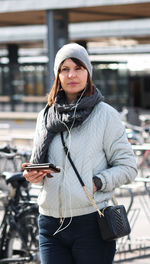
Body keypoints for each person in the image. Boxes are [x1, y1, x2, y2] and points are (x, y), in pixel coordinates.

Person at [23, 43, 137, 264]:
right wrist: (33, 175)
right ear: (57, 75)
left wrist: (97, 182)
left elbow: (128, 166)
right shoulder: (45, 116)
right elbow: (39, 163)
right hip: (49, 223)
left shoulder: (105, 115)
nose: (71, 74)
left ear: (88, 73)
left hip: (91, 223)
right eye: (64, 69)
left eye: (78, 68)